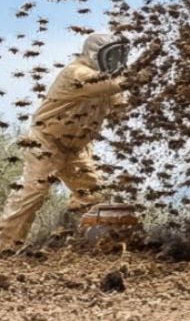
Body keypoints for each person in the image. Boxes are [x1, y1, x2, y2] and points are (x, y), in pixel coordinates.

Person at [0, 33, 130, 254]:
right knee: (33, 191)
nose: (116, 62)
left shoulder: (107, 85)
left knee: (95, 194)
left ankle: (94, 244)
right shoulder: (75, 73)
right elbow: (106, 85)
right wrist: (135, 78)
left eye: (120, 56)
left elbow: (120, 106)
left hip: (77, 148)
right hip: (46, 142)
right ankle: (4, 248)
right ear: (94, 54)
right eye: (112, 56)